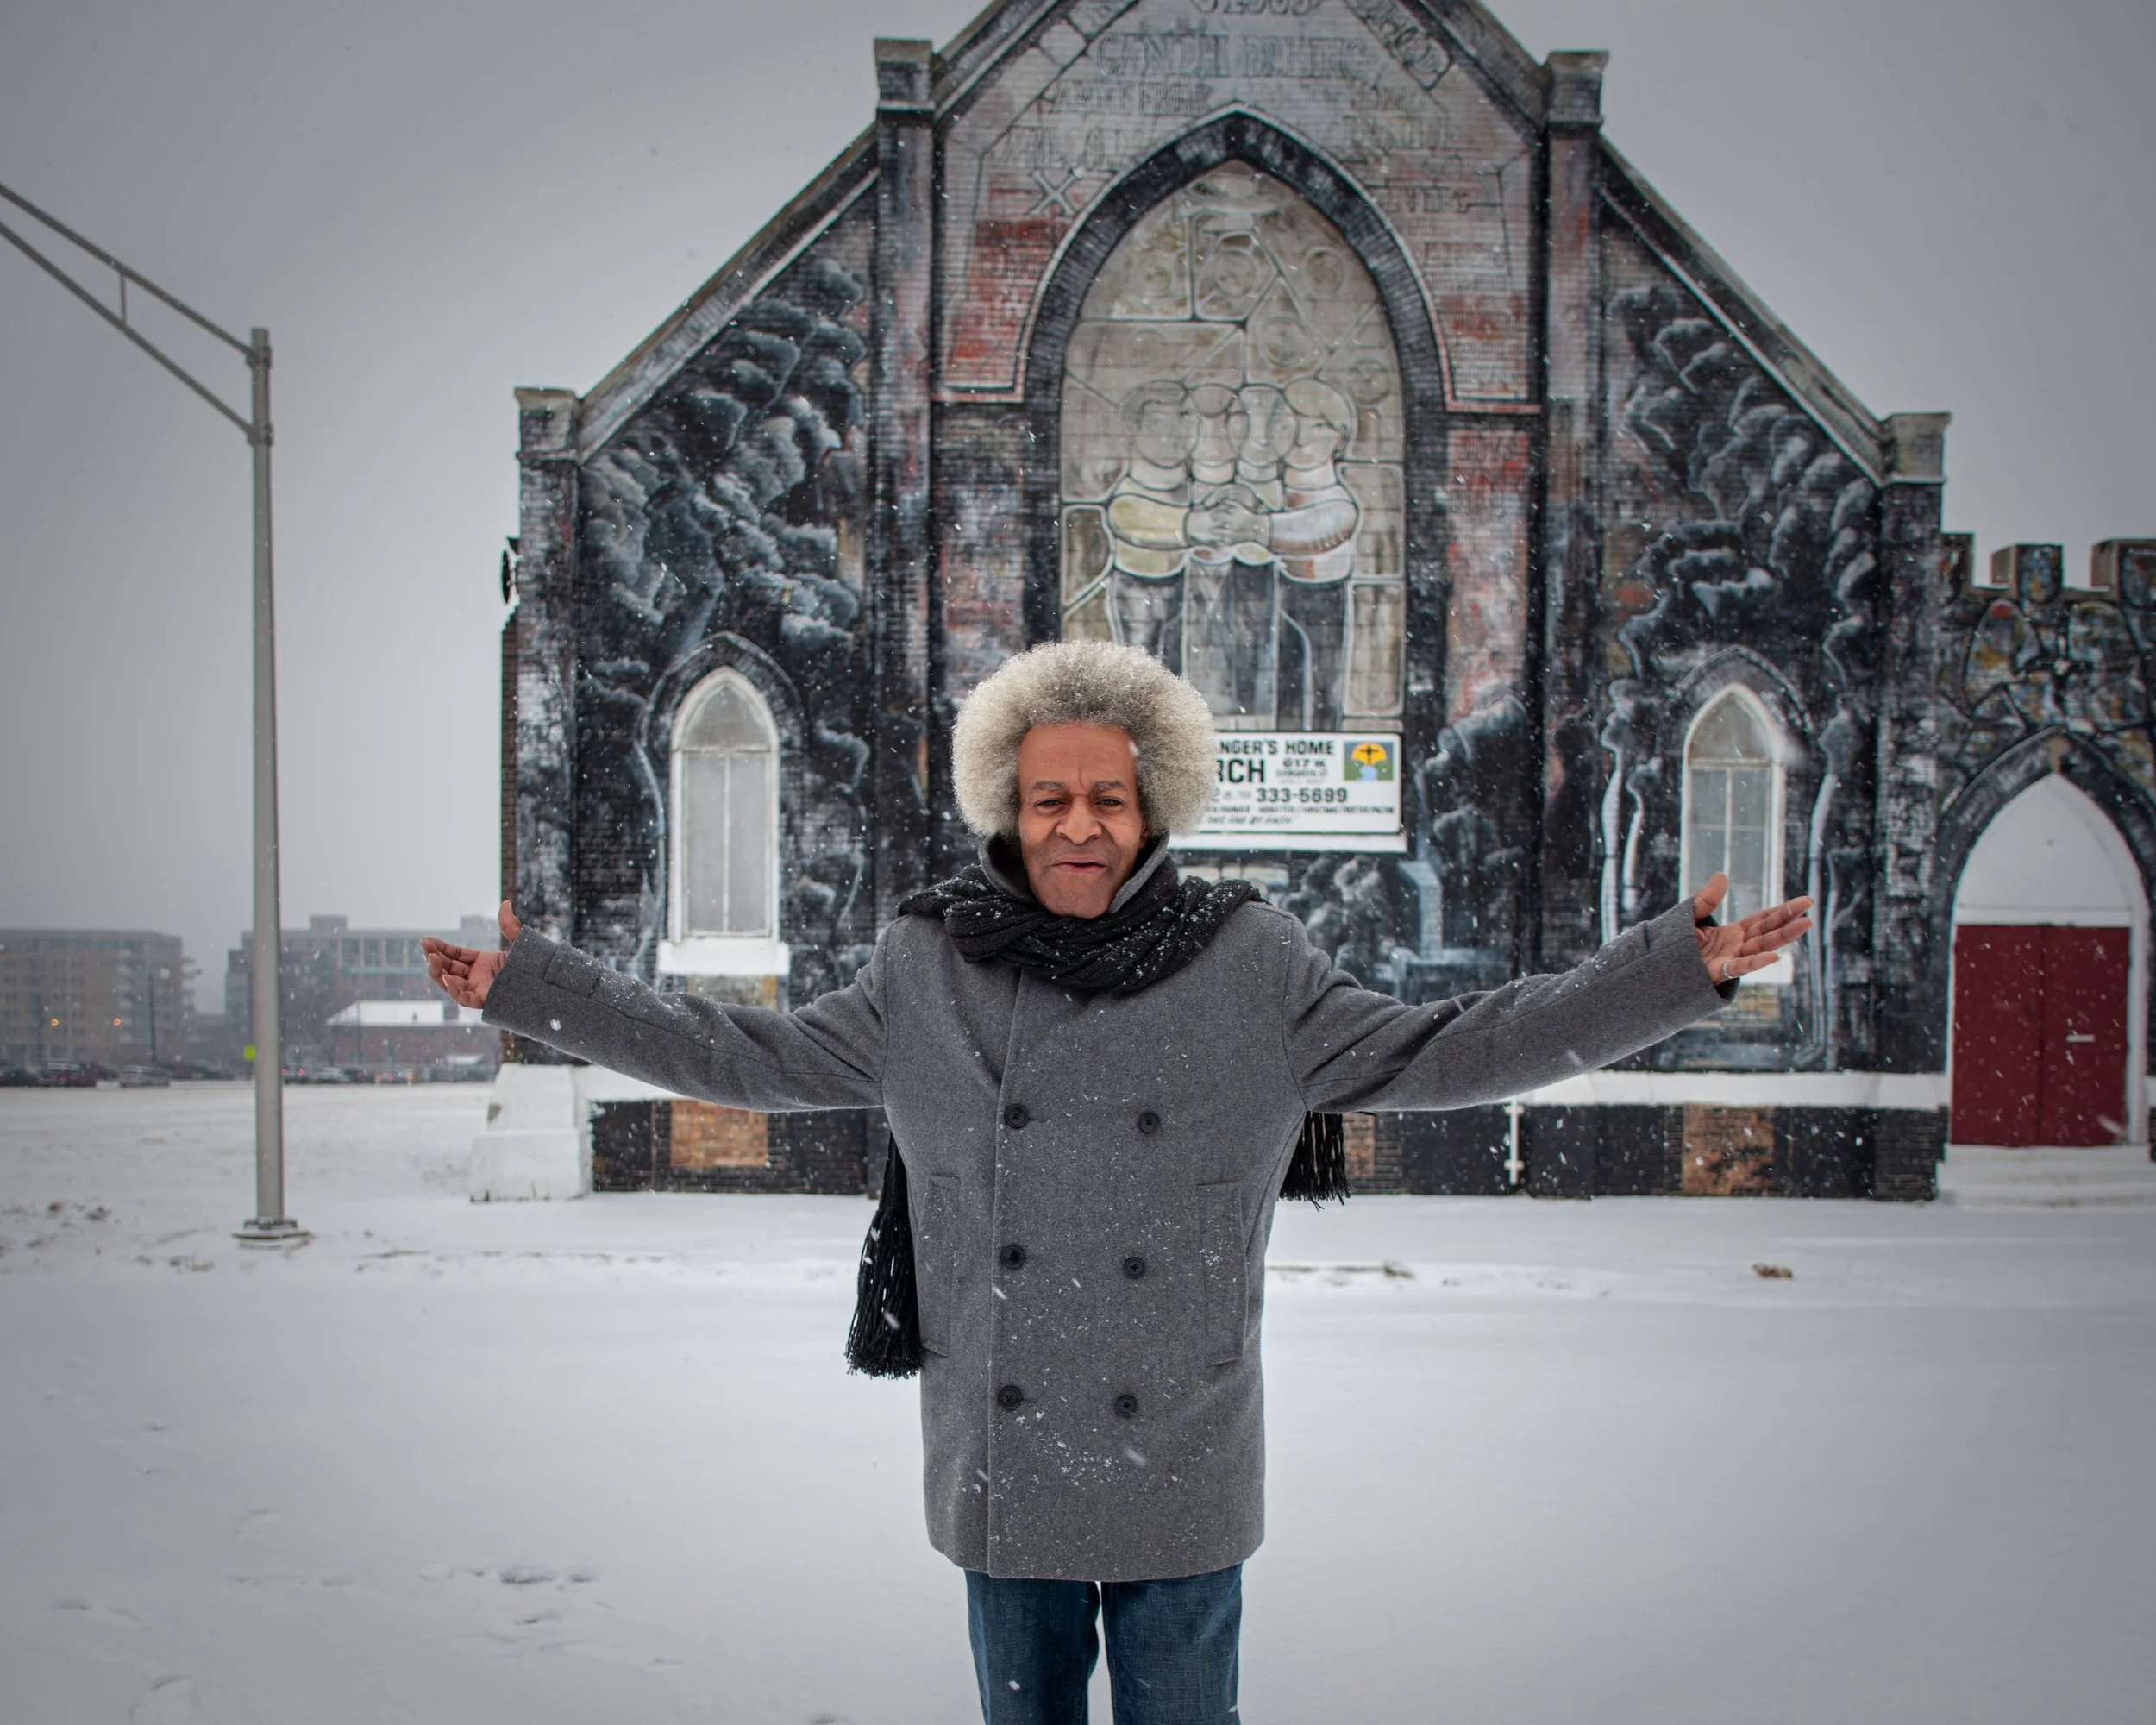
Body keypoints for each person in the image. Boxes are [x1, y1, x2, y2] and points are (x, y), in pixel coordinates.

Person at [424, 640, 1812, 1725]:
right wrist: (542, 990)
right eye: (1048, 798)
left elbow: (1455, 1050)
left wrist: (1669, 973)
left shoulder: (1253, 963)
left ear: (1152, 806)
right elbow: (744, 1055)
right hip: (1008, 1457)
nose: (1077, 824)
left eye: (1105, 796)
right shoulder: (927, 969)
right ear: (1008, 812)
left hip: (1183, 1453)